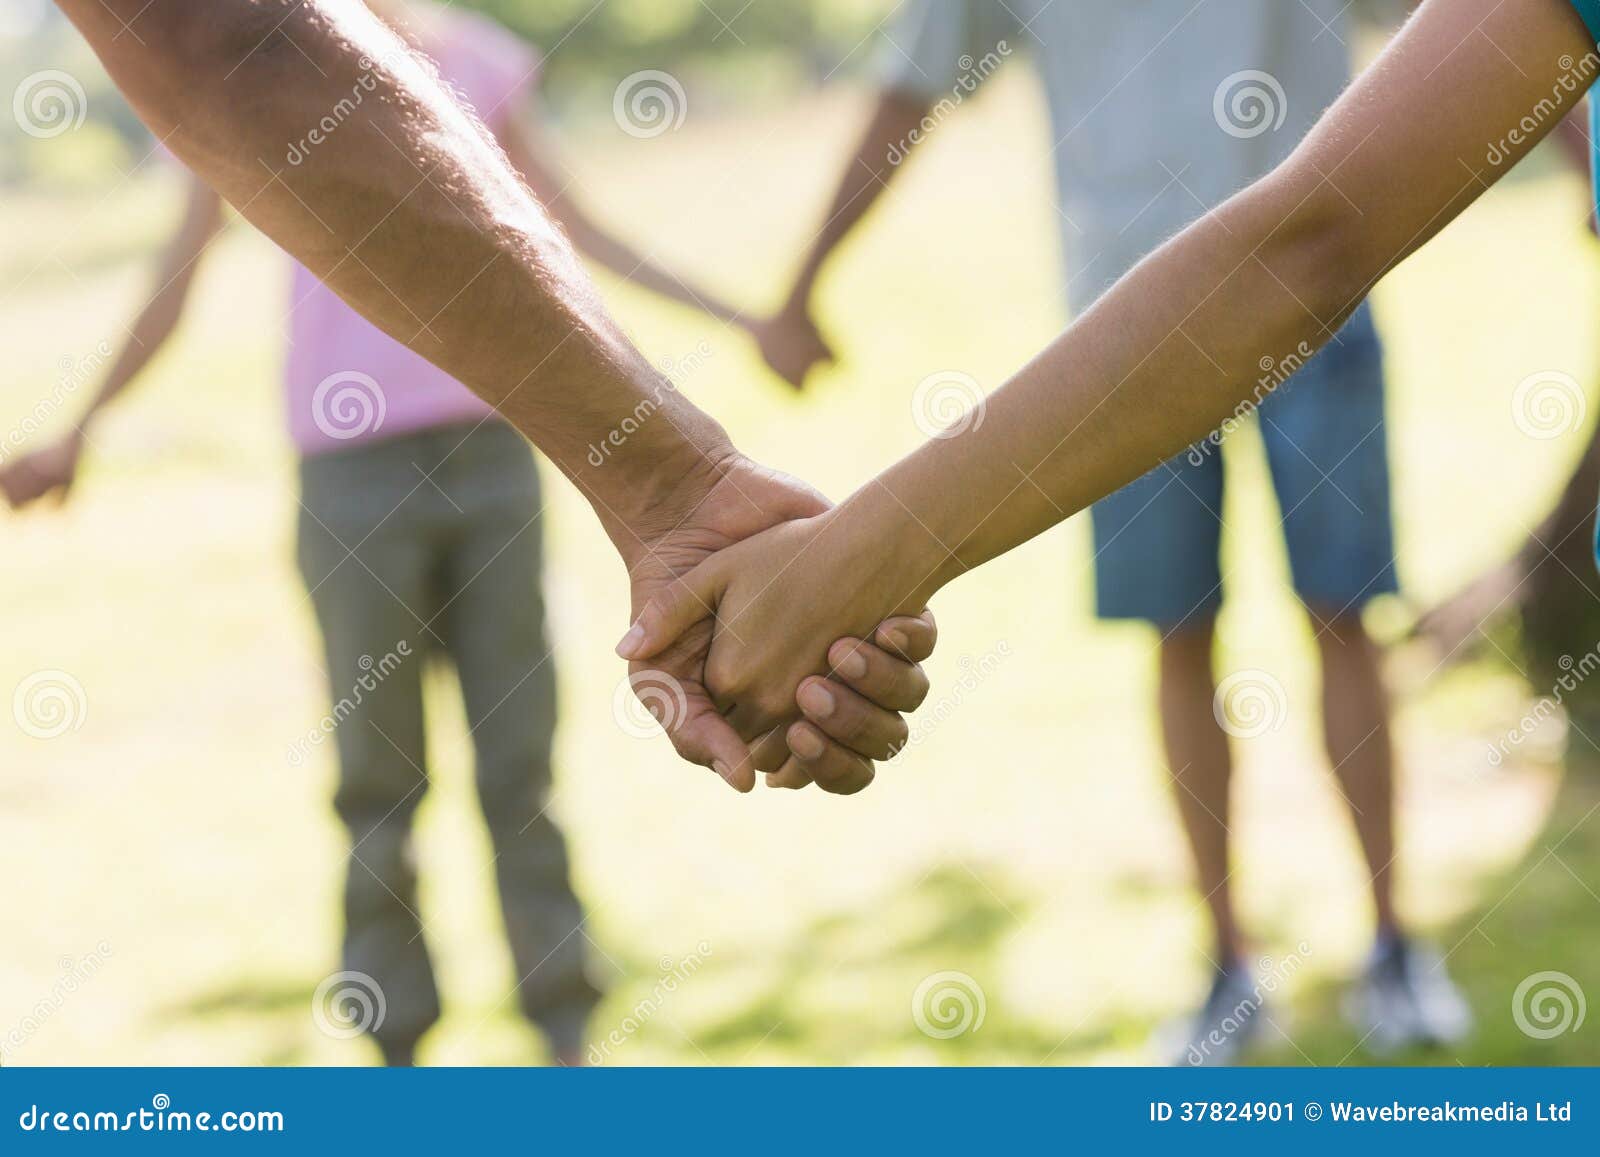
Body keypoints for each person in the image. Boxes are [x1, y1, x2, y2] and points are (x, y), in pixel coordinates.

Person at [618, 0, 1600, 1028]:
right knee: (1180, 634)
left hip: (1319, 306)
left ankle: (1393, 947)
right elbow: (909, 92)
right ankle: (1228, 972)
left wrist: (1580, 148)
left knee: (1342, 615)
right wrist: (803, 287)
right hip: (1125, 341)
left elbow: (1504, 25)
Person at [18, 0, 937, 1062]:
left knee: (519, 764)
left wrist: (750, 321)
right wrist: (82, 424)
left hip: (491, 461)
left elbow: (569, 241)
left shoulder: (477, 66)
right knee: (376, 776)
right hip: (351, 481)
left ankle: (564, 1029)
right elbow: (178, 270)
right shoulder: (259, 49)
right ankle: (396, 1041)